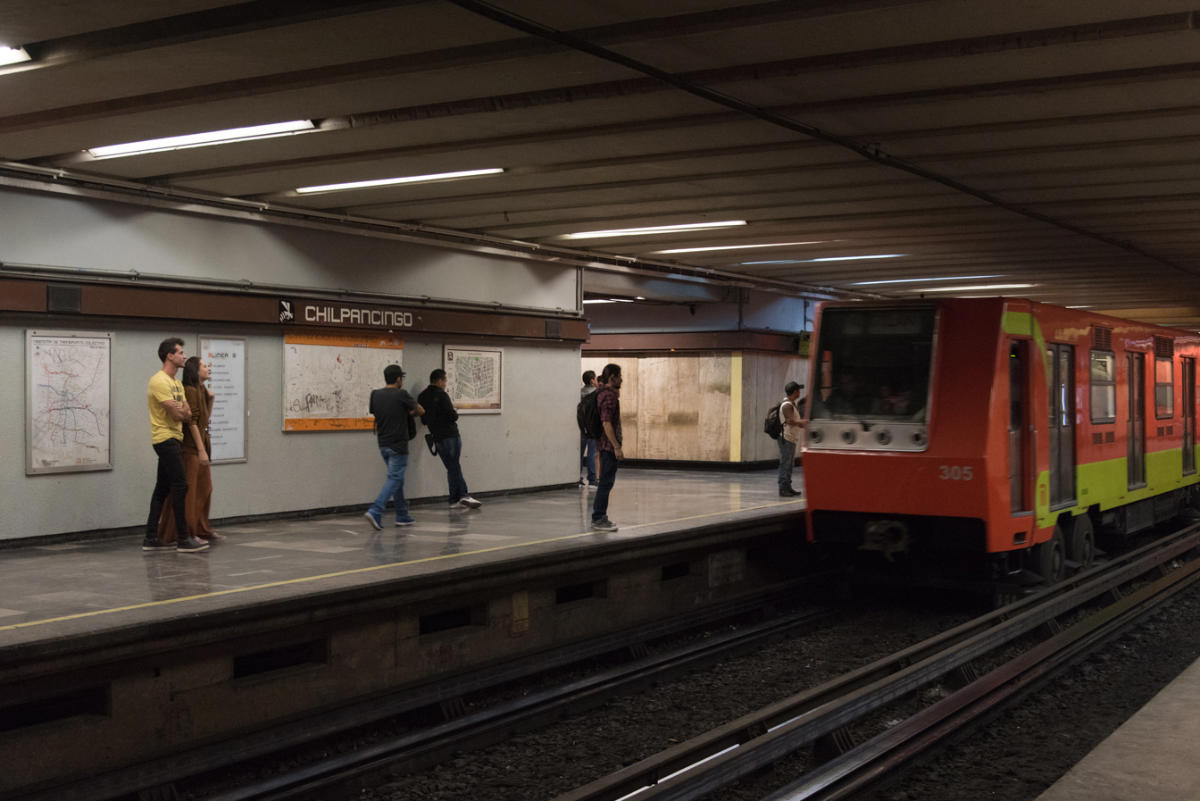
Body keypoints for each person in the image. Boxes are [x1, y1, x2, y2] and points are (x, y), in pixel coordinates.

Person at [143, 338, 209, 553]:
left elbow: (187, 414)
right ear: (169, 356)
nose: (184, 356)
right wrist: (182, 410)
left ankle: (150, 539)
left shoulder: (177, 384)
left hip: (175, 437)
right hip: (165, 439)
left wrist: (182, 410)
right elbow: (178, 413)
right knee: (180, 485)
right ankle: (183, 539)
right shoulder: (159, 381)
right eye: (180, 352)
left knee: (162, 489)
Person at [157, 357, 223, 543]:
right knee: (191, 491)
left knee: (205, 488)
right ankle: (187, 532)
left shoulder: (201, 391)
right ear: (195, 370)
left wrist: (211, 400)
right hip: (190, 448)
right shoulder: (191, 390)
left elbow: (203, 420)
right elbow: (192, 422)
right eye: (204, 366)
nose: (207, 368)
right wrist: (201, 450)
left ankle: (201, 528)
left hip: (200, 446)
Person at [364, 365, 424, 529]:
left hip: (383, 443)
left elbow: (376, 412)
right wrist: (409, 413)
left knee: (397, 478)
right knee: (395, 478)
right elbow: (420, 410)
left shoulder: (375, 395)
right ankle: (376, 510)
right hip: (398, 444)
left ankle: (402, 515)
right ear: (398, 379)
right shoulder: (401, 394)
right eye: (401, 378)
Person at [418, 368, 481, 510]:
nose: (446, 383)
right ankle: (464, 495)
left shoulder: (422, 396)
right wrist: (455, 412)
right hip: (450, 435)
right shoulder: (442, 395)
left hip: (437, 437)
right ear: (440, 381)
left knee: (451, 467)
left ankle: (454, 499)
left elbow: (423, 420)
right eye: (445, 380)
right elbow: (452, 416)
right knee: (454, 466)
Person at [591, 363, 623, 531]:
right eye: (619, 376)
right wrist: (616, 446)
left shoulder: (601, 393)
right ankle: (598, 518)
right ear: (612, 377)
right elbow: (606, 422)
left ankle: (599, 516)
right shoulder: (609, 397)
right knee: (606, 482)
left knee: (606, 482)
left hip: (603, 445)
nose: (622, 379)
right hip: (607, 446)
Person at [778, 381, 804, 497]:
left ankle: (788, 486)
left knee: (789, 464)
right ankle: (783, 488)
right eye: (798, 390)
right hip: (786, 438)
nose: (800, 392)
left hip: (791, 438)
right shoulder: (787, 405)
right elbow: (789, 420)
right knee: (786, 463)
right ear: (794, 392)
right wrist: (802, 422)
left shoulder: (792, 403)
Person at [579, 369, 598, 488]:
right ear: (592, 381)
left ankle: (578, 478)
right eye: (595, 378)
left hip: (581, 427)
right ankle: (592, 479)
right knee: (592, 453)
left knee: (579, 454)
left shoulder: (579, 393)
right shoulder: (597, 393)